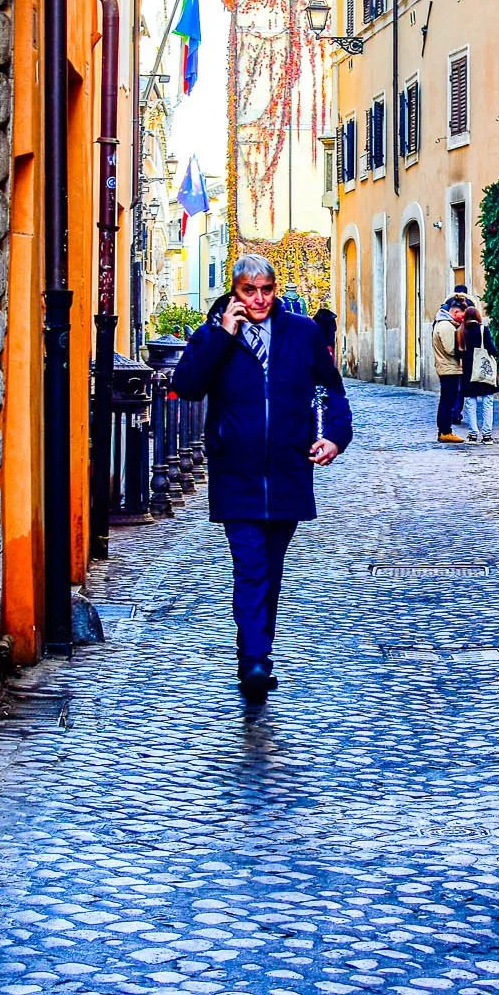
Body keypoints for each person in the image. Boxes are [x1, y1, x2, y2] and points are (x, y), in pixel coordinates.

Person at [172, 252, 352, 701]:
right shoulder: (214, 335)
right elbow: (188, 384)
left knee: (270, 570)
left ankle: (256, 651)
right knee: (250, 566)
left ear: (275, 289)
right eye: (249, 291)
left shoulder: (303, 333)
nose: (258, 299)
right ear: (234, 293)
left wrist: (334, 436)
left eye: (266, 290)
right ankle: (254, 660)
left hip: (289, 469)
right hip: (237, 472)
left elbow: (331, 389)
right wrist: (222, 335)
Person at [431, 296, 474, 444]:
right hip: (449, 368)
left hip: (448, 367)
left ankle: (444, 430)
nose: (463, 319)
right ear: (455, 312)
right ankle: (445, 431)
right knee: (447, 401)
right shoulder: (446, 326)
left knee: (447, 400)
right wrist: (465, 351)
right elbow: (451, 349)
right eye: (462, 315)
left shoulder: (446, 324)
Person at [460, 301, 499, 442]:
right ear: (477, 316)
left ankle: (472, 433)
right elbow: (491, 348)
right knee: (487, 401)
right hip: (483, 368)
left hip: (468, 370)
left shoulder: (461, 331)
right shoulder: (483, 330)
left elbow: (457, 351)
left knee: (470, 402)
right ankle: (487, 434)